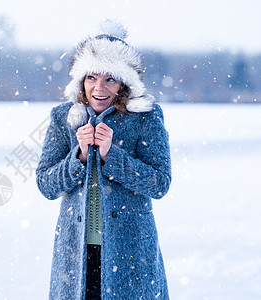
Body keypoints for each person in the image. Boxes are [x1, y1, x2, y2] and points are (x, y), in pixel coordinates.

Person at [36, 19, 171, 299]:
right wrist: (80, 157)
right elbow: (46, 184)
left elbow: (160, 183)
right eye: (92, 77)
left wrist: (113, 156)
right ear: (81, 80)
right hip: (75, 254)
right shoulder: (64, 119)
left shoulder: (145, 116)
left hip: (131, 252)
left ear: (123, 83)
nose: (99, 87)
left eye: (110, 78)